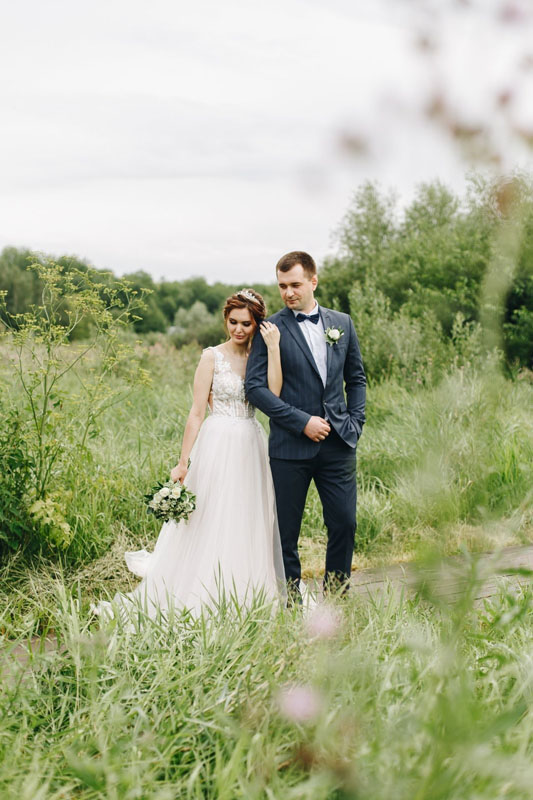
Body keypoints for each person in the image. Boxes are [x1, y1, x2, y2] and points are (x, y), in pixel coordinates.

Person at [93, 289, 286, 622]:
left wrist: (274, 349)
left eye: (246, 323)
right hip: (217, 444)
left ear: (257, 324)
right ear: (225, 319)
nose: (239, 329)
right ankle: (202, 588)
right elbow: (196, 412)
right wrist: (183, 462)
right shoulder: (212, 357)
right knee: (210, 515)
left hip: (251, 443)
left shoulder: (261, 356)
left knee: (246, 515)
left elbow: (275, 395)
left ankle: (246, 589)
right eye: (233, 322)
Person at [245, 251, 366, 604]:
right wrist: (302, 423)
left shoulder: (342, 323)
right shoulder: (270, 329)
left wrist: (355, 422)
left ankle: (337, 596)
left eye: (295, 284)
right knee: (286, 531)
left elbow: (356, 378)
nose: (288, 292)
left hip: (338, 442)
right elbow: (255, 389)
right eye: (282, 286)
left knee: (344, 522)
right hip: (290, 446)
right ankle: (291, 599)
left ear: (313, 281)